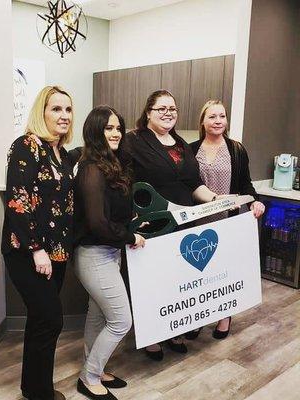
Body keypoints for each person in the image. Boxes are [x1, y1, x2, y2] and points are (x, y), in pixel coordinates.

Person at [124, 89, 218, 361]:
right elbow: (122, 180)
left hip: (183, 224)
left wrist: (215, 198)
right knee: (151, 281)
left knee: (177, 279)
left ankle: (174, 330)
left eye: (173, 109)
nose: (168, 114)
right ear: (148, 112)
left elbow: (192, 184)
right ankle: (151, 335)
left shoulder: (182, 144)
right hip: (151, 226)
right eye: (161, 108)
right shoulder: (134, 141)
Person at [1, 86, 74, 400]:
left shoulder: (63, 153)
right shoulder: (27, 145)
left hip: (56, 252)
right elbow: (18, 201)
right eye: (56, 109)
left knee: (40, 321)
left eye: (68, 110)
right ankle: (41, 393)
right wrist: (37, 249)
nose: (64, 116)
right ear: (41, 113)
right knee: (50, 319)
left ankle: (33, 389)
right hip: (28, 251)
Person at [73, 105, 146, 400]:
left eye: (118, 127)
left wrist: (130, 223)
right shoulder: (91, 168)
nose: (115, 133)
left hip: (107, 253)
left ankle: (95, 368)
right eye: (108, 128)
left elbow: (111, 213)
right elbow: (97, 223)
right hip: (94, 254)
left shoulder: (111, 163)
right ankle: (89, 377)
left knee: (98, 316)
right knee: (120, 321)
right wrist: (131, 236)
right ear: (95, 131)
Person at [188, 99, 265, 340]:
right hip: (198, 221)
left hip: (227, 220)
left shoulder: (236, 149)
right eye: (212, 116)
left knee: (224, 271)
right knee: (198, 274)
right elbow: (187, 185)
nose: (218, 121)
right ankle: (198, 316)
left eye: (222, 116)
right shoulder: (191, 149)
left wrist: (255, 200)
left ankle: (224, 316)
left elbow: (245, 183)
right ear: (203, 121)